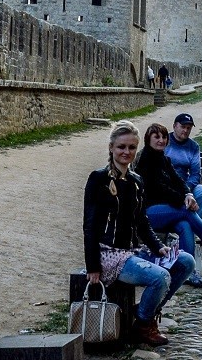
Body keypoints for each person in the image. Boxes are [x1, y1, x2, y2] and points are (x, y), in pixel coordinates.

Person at [83, 121, 195, 346]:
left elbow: (141, 221)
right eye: (121, 147)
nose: (126, 152)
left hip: (134, 251)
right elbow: (90, 225)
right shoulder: (99, 179)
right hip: (109, 255)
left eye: (131, 148)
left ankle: (146, 312)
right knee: (160, 277)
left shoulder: (136, 181)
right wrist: (92, 266)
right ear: (112, 148)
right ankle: (143, 323)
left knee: (185, 261)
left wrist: (158, 247)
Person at [137, 122, 202, 288]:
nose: (161, 140)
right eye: (156, 137)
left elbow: (178, 181)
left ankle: (188, 271)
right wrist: (184, 200)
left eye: (164, 137)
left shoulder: (164, 159)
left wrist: (188, 194)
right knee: (185, 212)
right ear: (148, 139)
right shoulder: (146, 161)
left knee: (185, 224)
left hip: (167, 211)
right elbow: (160, 190)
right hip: (149, 213)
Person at [163, 112, 202, 219]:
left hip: (185, 185)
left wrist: (186, 189)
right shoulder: (164, 141)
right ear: (175, 126)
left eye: (188, 128)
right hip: (165, 185)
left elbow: (195, 174)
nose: (185, 130)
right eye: (183, 127)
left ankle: (192, 225)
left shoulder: (193, 146)